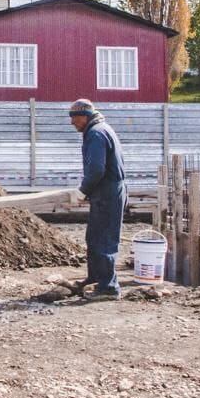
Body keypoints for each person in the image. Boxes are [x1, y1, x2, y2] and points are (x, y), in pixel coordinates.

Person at [69, 98, 127, 301]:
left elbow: (96, 169)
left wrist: (83, 190)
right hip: (105, 191)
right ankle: (96, 279)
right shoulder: (99, 129)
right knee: (94, 238)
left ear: (84, 116)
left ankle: (108, 288)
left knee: (104, 240)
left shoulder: (96, 133)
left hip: (108, 193)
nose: (72, 123)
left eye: (74, 118)